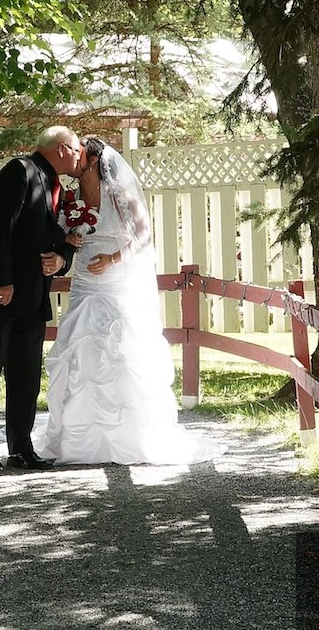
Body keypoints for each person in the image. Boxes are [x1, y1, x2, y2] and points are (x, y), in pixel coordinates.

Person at [33, 137, 227, 465]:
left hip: (114, 281)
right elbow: (66, 233)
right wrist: (67, 239)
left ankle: (126, 437)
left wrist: (113, 258)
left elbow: (144, 237)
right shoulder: (73, 196)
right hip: (83, 283)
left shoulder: (118, 194)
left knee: (119, 353)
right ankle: (80, 438)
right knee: (79, 352)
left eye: (82, 155)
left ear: (94, 161)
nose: (76, 159)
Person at [0, 126, 81, 476]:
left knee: (25, 374)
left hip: (33, 293)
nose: (78, 156)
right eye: (75, 149)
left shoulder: (60, 188)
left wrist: (61, 260)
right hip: (0, 291)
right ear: (61, 148)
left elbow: (61, 239)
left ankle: (21, 448)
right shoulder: (19, 171)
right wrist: (3, 281)